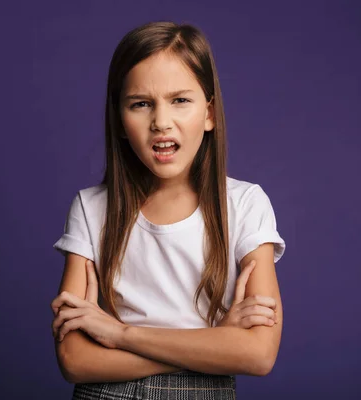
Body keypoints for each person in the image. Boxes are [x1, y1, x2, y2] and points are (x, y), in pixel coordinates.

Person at [50, 21, 286, 399]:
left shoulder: (244, 205)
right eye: (141, 104)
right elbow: (75, 360)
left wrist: (120, 334)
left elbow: (258, 354)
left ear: (209, 113)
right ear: (121, 122)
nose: (161, 122)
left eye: (180, 100)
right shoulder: (91, 208)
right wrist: (213, 342)